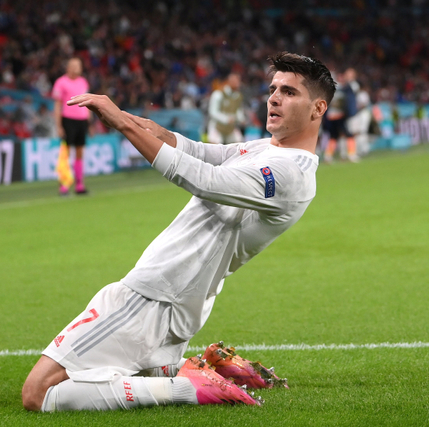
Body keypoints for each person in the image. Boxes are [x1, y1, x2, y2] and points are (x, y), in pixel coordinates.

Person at [22, 52, 335, 413]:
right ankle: (191, 367)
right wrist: (141, 124)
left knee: (40, 392)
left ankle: (186, 386)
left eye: (290, 92)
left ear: (318, 108)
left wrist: (124, 128)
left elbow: (205, 178)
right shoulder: (270, 149)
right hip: (182, 297)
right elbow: (203, 152)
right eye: (272, 89)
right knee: (133, 371)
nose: (274, 98)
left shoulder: (289, 173)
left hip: (154, 295)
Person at [52, 57, 90, 195]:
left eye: (79, 65)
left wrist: (89, 123)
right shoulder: (61, 82)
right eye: (75, 65)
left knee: (80, 153)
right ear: (68, 67)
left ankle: (80, 185)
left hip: (82, 120)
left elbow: (87, 103)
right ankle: (64, 184)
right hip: (68, 119)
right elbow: (57, 105)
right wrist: (59, 126)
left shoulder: (83, 82)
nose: (78, 68)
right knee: (65, 153)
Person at [207, 72, 247, 144]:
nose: (238, 83)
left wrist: (241, 119)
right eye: (235, 81)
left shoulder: (238, 96)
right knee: (215, 148)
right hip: (217, 126)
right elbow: (213, 112)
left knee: (239, 145)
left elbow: (238, 110)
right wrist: (226, 119)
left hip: (230, 128)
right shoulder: (218, 94)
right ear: (229, 81)